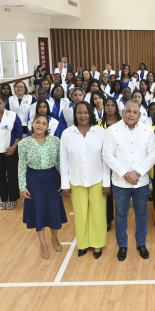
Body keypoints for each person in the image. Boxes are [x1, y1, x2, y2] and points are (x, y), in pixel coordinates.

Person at [102, 101, 155, 261]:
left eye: (135, 112)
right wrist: (125, 174)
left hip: (141, 183)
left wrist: (138, 173)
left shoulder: (148, 130)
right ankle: (122, 245)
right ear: (122, 112)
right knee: (121, 214)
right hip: (120, 183)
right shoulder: (112, 130)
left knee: (141, 213)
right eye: (128, 111)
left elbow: (152, 155)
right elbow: (107, 155)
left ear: (140, 115)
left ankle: (141, 244)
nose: (131, 114)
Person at [60, 102, 111, 258]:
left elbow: (106, 159)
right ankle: (82, 244)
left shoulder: (101, 132)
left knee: (98, 214)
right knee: (81, 214)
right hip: (76, 180)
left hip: (98, 180)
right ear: (75, 115)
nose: (83, 115)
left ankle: (97, 245)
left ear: (91, 114)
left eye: (86, 112)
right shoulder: (67, 134)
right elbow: (63, 160)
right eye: (79, 112)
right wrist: (65, 184)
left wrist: (107, 182)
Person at [19, 114, 66, 260]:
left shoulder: (55, 141)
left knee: (53, 210)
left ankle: (54, 238)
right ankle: (42, 243)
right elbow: (21, 166)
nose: (40, 125)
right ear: (32, 124)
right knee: (38, 210)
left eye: (44, 123)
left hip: (52, 178)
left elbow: (60, 163)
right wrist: (22, 187)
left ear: (47, 126)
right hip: (34, 180)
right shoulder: (24, 144)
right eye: (37, 122)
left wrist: (63, 183)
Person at [98, 97, 122, 231]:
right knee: (106, 192)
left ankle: (120, 218)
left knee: (118, 193)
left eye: (113, 105)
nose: (110, 107)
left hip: (119, 162)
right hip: (103, 162)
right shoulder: (98, 123)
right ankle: (107, 220)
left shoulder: (121, 123)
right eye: (107, 105)